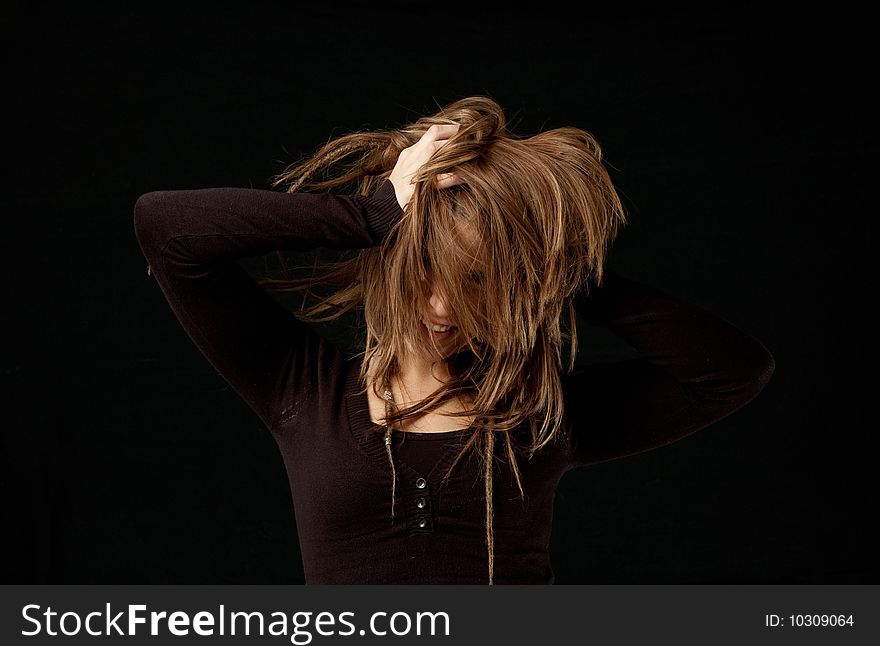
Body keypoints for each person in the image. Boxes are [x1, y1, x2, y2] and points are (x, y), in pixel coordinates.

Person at [133, 96, 775, 585]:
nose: (442, 307)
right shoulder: (304, 389)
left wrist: (547, 269)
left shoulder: (545, 414)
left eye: (475, 281)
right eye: (425, 273)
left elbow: (733, 372)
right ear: (392, 262)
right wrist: (372, 215)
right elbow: (166, 228)